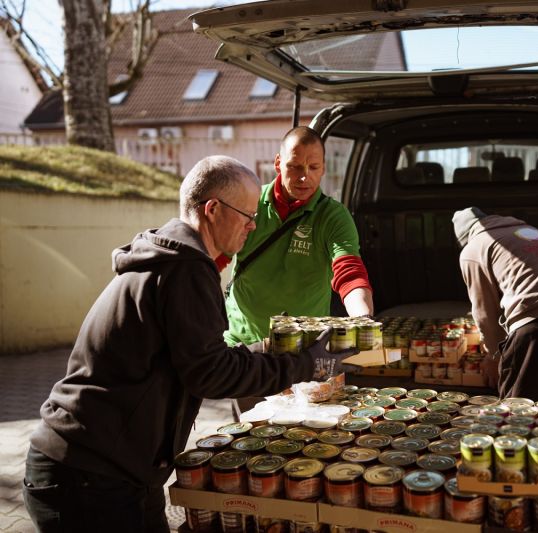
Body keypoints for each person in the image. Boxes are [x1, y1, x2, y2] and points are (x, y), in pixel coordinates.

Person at [22, 156, 355, 533]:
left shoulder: (171, 260)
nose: (252, 225)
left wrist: (278, 349)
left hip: (113, 469)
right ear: (212, 209)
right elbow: (212, 375)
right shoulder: (187, 268)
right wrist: (305, 364)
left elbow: (203, 356)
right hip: (90, 475)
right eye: (246, 215)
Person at [219, 126, 373, 348]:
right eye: (294, 167)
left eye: (313, 167)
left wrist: (363, 320)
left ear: (323, 169)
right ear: (278, 163)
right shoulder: (249, 202)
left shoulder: (333, 216)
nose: (304, 177)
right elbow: (217, 256)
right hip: (243, 343)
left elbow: (349, 273)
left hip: (304, 349)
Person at [452, 207, 538, 403]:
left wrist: (493, 355)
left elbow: (484, 311)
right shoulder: (529, 231)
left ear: (464, 237)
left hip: (536, 326)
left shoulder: (473, 248)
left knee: (517, 410)